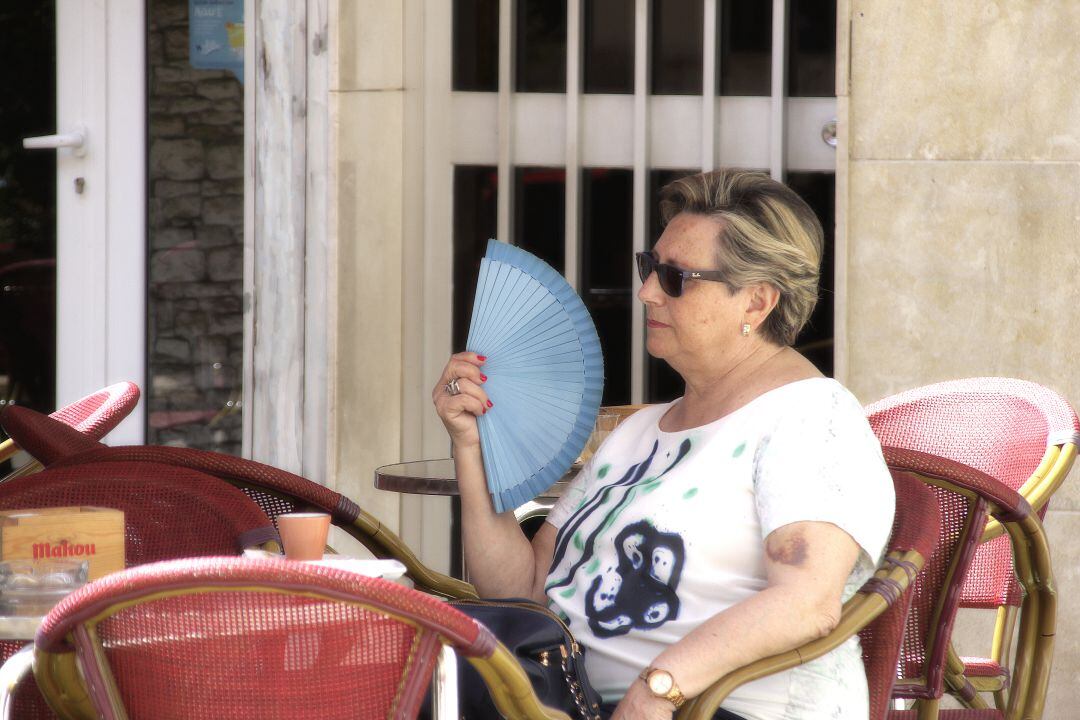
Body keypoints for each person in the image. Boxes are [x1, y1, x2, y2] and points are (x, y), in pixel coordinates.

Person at [432, 169, 895, 720]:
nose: (646, 291)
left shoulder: (810, 417)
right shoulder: (639, 431)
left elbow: (806, 602)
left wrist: (659, 689)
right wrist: (471, 445)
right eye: (650, 267)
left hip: (724, 709)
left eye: (676, 278)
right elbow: (523, 591)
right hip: (565, 695)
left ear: (756, 302)